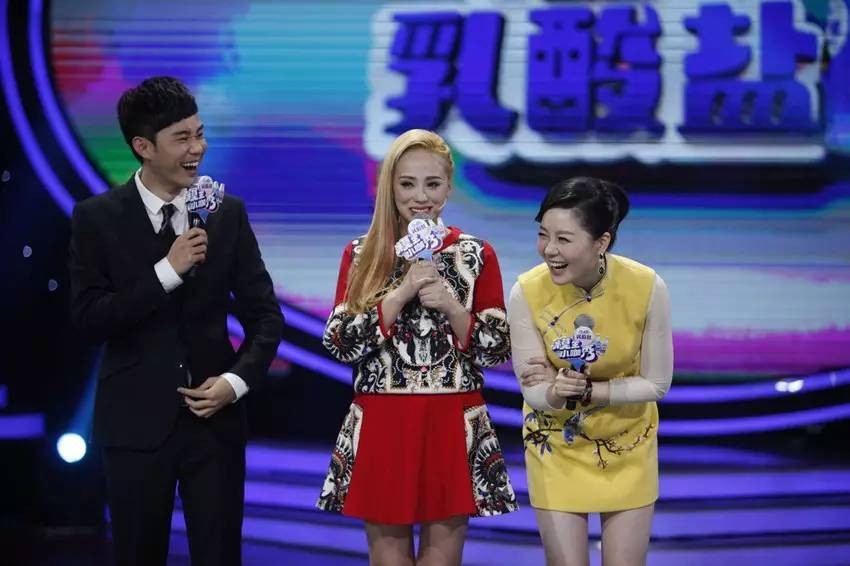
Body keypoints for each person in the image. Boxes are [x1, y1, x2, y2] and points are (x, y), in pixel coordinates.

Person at [68, 76, 284, 566]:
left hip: (215, 425)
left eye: (200, 134)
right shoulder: (96, 218)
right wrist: (166, 272)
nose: (197, 149)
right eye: (182, 138)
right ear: (143, 146)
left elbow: (266, 317)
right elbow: (88, 320)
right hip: (134, 426)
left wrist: (235, 382)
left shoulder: (226, 214)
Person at [317, 129, 518, 565]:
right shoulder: (362, 253)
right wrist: (400, 293)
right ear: (389, 186)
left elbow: (497, 348)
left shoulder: (476, 254)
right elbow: (340, 342)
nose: (420, 197)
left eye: (432, 183)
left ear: (449, 187)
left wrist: (452, 306)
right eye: (407, 183)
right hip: (384, 419)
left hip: (451, 419)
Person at [508, 176, 673, 566]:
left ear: (601, 242)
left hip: (627, 442)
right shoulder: (526, 291)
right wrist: (555, 392)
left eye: (564, 239)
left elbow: (656, 384)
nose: (549, 250)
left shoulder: (646, 286)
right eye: (543, 235)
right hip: (556, 447)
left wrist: (589, 392)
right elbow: (532, 388)